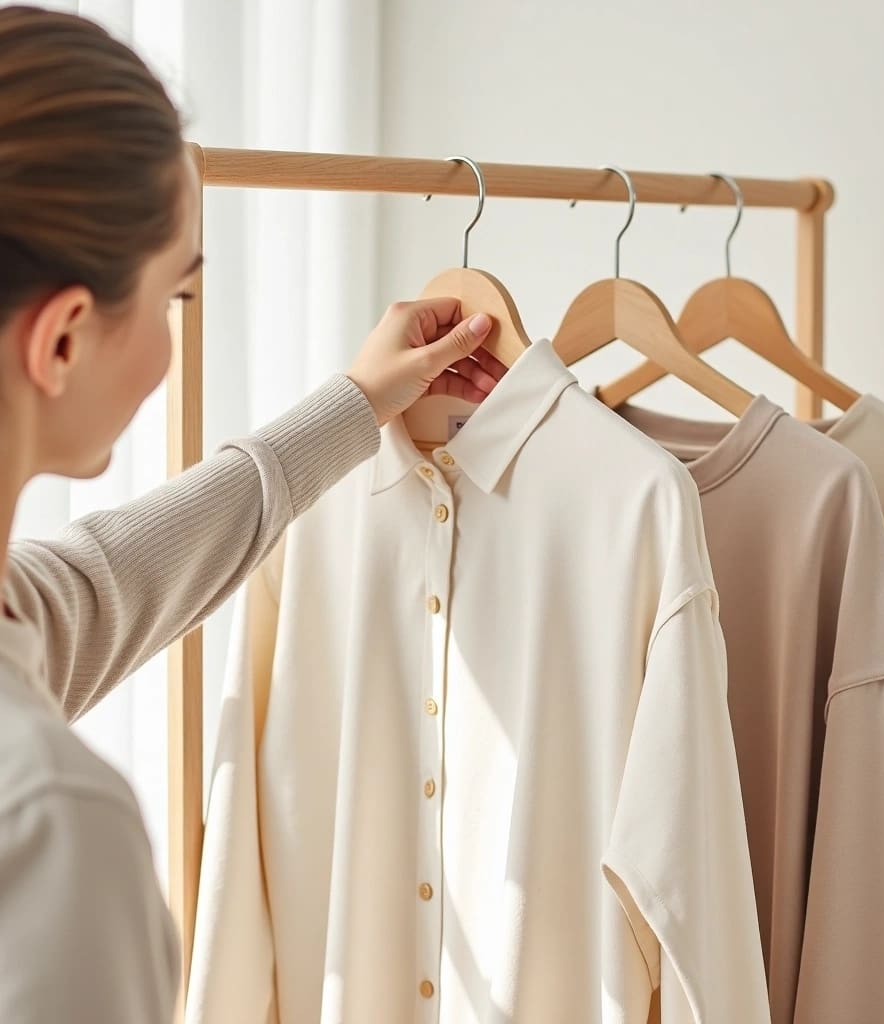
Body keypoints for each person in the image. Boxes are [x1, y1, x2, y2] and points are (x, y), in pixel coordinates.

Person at [0, 6, 505, 1021]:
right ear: (61, 339)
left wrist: (356, 405)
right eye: (177, 297)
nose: (178, 336)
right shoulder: (50, 826)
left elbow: (101, 584)